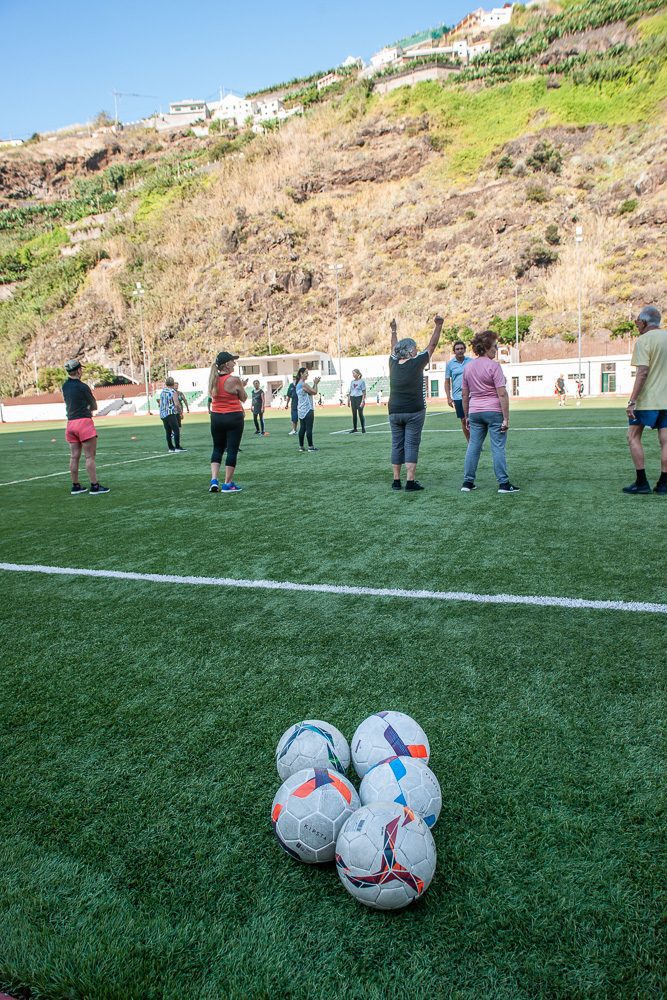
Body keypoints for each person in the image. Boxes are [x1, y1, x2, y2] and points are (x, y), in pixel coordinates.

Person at [388, 315, 443, 491]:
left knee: (397, 444)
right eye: (415, 348)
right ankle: (410, 481)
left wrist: (394, 330)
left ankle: (396, 480)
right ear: (411, 351)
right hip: (414, 411)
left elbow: (393, 346)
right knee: (411, 444)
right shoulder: (418, 362)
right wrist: (438, 326)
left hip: (394, 410)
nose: (417, 350)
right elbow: (432, 345)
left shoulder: (393, 363)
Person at [460, 330, 519, 494]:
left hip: (475, 412)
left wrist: (466, 416)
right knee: (498, 447)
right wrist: (506, 418)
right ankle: (504, 484)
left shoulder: (468, 367)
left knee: (473, 446)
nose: (496, 348)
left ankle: (468, 482)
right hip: (493, 411)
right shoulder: (494, 366)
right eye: (494, 346)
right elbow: (502, 393)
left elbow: (464, 394)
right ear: (486, 347)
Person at [623, 305, 667, 495]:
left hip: (647, 400)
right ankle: (664, 484)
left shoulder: (643, 341)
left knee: (633, 436)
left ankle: (641, 482)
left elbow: (642, 373)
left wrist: (632, 401)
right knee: (665, 441)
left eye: (638, 321)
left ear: (645, 322)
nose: (637, 325)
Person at [61, 359, 110, 495]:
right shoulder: (83, 386)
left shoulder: (65, 386)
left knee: (74, 456)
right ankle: (94, 486)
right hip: (84, 423)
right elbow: (93, 405)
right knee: (89, 457)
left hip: (70, 423)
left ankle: (75, 485)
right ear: (78, 371)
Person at [208, 351, 247, 493]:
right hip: (233, 417)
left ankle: (214, 480)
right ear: (226, 364)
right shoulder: (234, 380)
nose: (234, 363)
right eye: (232, 361)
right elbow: (243, 398)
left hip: (216, 417)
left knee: (217, 448)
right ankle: (227, 483)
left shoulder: (213, 379)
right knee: (232, 450)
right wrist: (241, 386)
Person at [445, 340, 473, 442]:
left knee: (474, 419)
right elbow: (447, 381)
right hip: (458, 397)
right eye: (457, 349)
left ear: (465, 350)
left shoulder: (471, 362)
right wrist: (448, 397)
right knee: (463, 420)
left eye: (462, 348)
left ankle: (476, 441)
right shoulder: (450, 364)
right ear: (454, 351)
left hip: (471, 395)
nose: (460, 351)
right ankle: (470, 441)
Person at [296, 367, 321, 452]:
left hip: (301, 409)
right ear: (301, 374)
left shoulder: (298, 385)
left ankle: (301, 447)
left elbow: (311, 392)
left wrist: (314, 384)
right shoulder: (304, 384)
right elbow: (314, 392)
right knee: (309, 428)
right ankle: (310, 447)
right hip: (308, 408)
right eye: (306, 373)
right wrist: (316, 383)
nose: (307, 374)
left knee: (302, 428)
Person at [158, 377, 186, 453]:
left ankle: (171, 448)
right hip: (170, 413)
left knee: (168, 431)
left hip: (163, 414)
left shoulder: (163, 392)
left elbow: (160, 403)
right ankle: (177, 447)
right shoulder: (173, 392)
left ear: (166, 383)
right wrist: (180, 412)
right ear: (173, 384)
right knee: (176, 430)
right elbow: (177, 404)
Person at [348, 369, 367, 433]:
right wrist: (348, 400)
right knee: (354, 414)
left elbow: (364, 392)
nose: (353, 375)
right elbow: (350, 391)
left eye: (354, 373)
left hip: (359, 398)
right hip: (353, 398)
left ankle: (363, 428)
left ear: (358, 374)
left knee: (360, 413)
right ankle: (355, 428)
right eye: (352, 373)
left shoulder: (362, 381)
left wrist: (363, 401)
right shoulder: (352, 382)